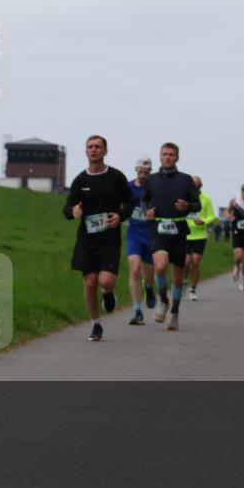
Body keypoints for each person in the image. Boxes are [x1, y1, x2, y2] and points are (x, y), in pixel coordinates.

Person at [63, 135, 134, 341]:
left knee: (105, 280)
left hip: (109, 239)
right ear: (86, 152)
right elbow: (67, 208)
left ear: (105, 151)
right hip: (87, 240)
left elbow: (130, 202)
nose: (93, 150)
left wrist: (121, 216)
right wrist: (73, 210)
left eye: (97, 147)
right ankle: (96, 324)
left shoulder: (116, 177)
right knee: (89, 282)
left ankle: (109, 292)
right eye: (90, 147)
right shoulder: (80, 180)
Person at [142, 142, 201, 331]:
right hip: (158, 228)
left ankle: (174, 311)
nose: (167, 157)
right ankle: (164, 301)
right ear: (160, 156)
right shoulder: (151, 179)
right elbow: (144, 199)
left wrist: (187, 207)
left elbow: (197, 205)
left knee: (177, 276)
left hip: (178, 229)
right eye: (164, 154)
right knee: (159, 266)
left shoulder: (185, 180)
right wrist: (147, 211)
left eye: (171, 155)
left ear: (177, 158)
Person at [125, 156, 158, 325]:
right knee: (135, 269)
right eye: (141, 171)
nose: (143, 174)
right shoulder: (128, 188)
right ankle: (137, 310)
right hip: (134, 233)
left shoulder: (154, 188)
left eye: (146, 172)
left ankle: (149, 287)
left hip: (151, 234)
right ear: (136, 170)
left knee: (149, 273)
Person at [184, 176, 215, 301]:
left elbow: (212, 216)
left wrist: (203, 221)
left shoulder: (206, 199)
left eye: (196, 187)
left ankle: (193, 289)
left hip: (200, 235)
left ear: (200, 187)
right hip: (185, 234)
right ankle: (184, 282)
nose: (194, 189)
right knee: (186, 263)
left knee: (195, 262)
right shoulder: (184, 198)